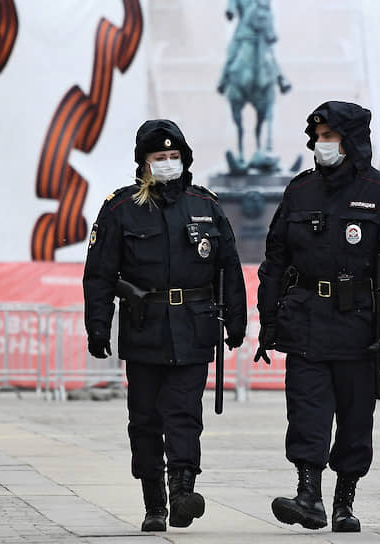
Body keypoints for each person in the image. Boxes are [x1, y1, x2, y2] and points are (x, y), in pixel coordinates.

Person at [254, 101, 380, 532]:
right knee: (306, 412)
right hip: (306, 321)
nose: (322, 145)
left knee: (354, 419)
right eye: (318, 137)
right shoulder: (300, 190)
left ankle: (344, 503)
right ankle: (307, 496)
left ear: (351, 141)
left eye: (330, 137)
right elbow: (275, 259)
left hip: (359, 326)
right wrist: (268, 319)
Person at [82, 119, 247, 532]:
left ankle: (182, 491)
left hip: (194, 327)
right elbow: (99, 273)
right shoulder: (121, 208)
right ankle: (154, 502)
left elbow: (229, 267)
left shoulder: (205, 205)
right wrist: (98, 326)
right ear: (144, 162)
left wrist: (237, 321)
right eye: (161, 156)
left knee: (184, 413)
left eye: (174, 156)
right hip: (145, 328)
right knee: (145, 419)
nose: (168, 162)